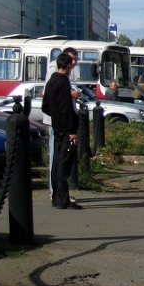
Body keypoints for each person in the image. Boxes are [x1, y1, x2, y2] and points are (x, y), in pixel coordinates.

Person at [42, 51, 82, 210]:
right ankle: (62, 199)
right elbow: (66, 108)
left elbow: (46, 106)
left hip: (57, 127)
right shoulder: (63, 82)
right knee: (64, 165)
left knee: (57, 162)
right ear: (66, 66)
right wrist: (71, 130)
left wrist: (56, 118)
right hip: (65, 130)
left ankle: (57, 197)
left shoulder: (52, 80)